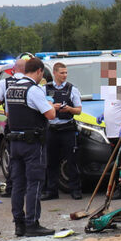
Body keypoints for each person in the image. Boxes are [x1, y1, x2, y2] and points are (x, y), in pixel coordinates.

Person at [5, 56, 56, 237]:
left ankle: (19, 224)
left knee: (18, 184)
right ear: (39, 71)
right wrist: (51, 104)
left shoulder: (11, 88)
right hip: (32, 143)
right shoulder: (33, 90)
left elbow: (8, 113)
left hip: (15, 143)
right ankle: (32, 223)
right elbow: (50, 114)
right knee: (34, 183)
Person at [42, 62, 83, 201]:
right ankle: (51, 190)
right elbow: (41, 107)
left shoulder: (72, 89)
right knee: (50, 162)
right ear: (55, 73)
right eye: (62, 73)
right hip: (52, 129)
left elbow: (78, 109)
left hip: (67, 129)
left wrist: (69, 109)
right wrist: (53, 107)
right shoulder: (45, 89)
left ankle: (75, 190)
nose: (65, 75)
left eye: (66, 73)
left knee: (72, 161)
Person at [0, 57, 30, 197]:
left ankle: (12, 189)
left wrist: (4, 100)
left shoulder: (5, 83)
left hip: (12, 124)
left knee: (14, 159)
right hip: (30, 126)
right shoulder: (33, 84)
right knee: (32, 159)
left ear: (14, 69)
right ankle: (32, 188)